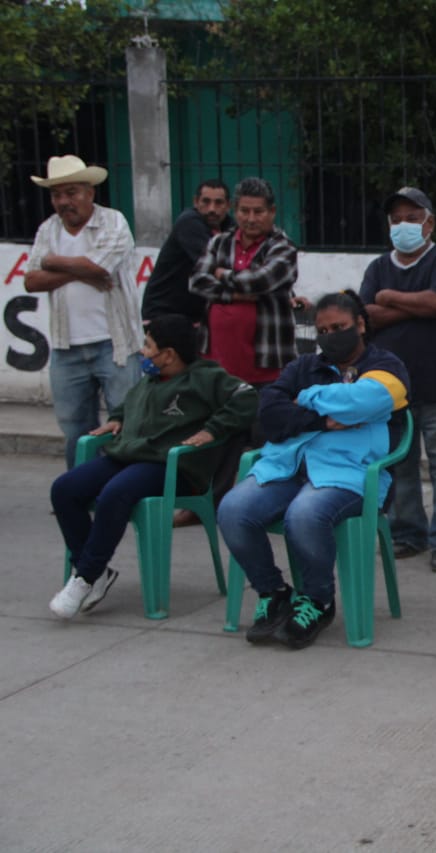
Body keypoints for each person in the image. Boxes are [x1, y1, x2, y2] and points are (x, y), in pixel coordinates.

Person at [217, 291, 409, 650]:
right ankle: (273, 592)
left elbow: (369, 399)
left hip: (350, 473)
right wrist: (323, 419)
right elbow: (268, 414)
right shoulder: (302, 367)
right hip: (288, 466)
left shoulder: (386, 365)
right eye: (322, 330)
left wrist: (304, 398)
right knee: (232, 510)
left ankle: (317, 600)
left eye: (339, 327)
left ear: (360, 325)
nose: (330, 336)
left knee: (303, 515)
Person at [48, 315, 258, 618]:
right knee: (65, 488)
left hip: (172, 468)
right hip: (129, 456)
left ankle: (85, 578)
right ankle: (96, 572)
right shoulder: (150, 379)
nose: (143, 352)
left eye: (148, 346)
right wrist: (116, 418)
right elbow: (129, 403)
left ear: (169, 354)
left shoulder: (206, 377)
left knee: (115, 493)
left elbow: (247, 397)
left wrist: (213, 429)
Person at [360, 186, 436, 571]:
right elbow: (368, 316)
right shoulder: (378, 267)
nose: (402, 225)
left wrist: (390, 297)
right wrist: (418, 305)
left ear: (429, 223)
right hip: (392, 392)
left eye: (412, 218)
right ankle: (408, 534)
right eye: (396, 220)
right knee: (399, 466)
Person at [24, 154, 144, 469]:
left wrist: (52, 261)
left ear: (90, 192)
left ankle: (122, 488)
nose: (64, 201)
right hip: (66, 347)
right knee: (75, 429)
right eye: (56, 195)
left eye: (71, 192)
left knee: (125, 424)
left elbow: (100, 268)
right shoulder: (48, 229)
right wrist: (82, 271)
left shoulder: (113, 221)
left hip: (116, 345)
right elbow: (31, 281)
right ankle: (79, 489)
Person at [189, 176, 300, 388]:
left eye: (258, 212)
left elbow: (259, 282)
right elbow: (197, 281)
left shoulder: (283, 247)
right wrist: (234, 295)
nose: (251, 218)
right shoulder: (219, 242)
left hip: (266, 366)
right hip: (215, 363)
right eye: (244, 211)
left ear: (272, 212)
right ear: (234, 210)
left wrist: (222, 274)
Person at [141, 179, 233, 324]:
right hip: (165, 314)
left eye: (218, 203)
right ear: (196, 202)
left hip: (195, 316)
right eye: (206, 201)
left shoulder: (229, 226)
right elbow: (216, 263)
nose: (212, 209)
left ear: (228, 205)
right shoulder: (189, 222)